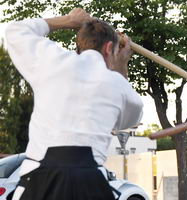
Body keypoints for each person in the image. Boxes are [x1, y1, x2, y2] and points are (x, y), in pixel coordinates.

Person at [5, 8, 143, 200]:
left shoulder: (52, 60)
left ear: (79, 46)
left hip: (38, 181)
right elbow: (131, 117)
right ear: (109, 48)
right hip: (90, 184)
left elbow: (15, 30)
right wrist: (121, 66)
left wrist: (68, 20)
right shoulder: (117, 84)